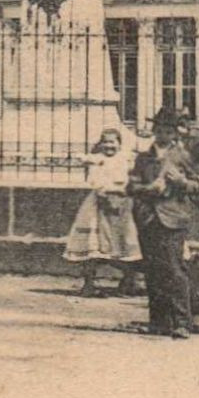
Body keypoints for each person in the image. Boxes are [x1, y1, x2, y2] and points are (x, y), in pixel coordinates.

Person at [126, 107, 199, 338]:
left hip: (173, 219)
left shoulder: (182, 157)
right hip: (148, 218)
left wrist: (181, 182)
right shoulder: (143, 158)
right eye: (159, 130)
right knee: (153, 271)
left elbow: (197, 186)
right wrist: (147, 189)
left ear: (175, 134)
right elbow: (131, 187)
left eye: (168, 131)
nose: (163, 135)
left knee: (174, 270)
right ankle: (158, 322)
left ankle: (182, 322)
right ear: (153, 131)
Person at [63, 127, 141, 297]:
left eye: (112, 142)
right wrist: (103, 190)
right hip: (98, 203)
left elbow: (133, 178)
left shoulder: (126, 160)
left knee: (125, 242)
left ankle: (128, 282)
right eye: (105, 142)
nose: (109, 146)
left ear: (120, 144)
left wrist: (123, 190)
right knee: (92, 243)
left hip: (122, 203)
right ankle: (89, 283)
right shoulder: (97, 161)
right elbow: (94, 180)